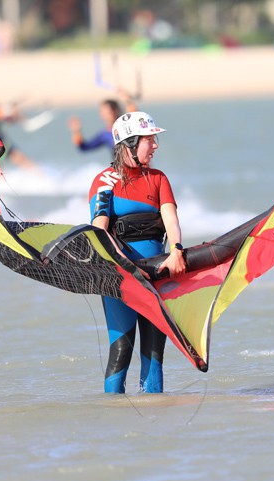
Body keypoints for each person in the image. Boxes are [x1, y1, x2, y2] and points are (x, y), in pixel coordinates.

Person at [88, 111, 186, 393]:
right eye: (149, 140)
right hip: (120, 276)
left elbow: (171, 220)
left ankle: (154, 421)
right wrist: (126, 266)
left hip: (157, 273)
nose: (155, 146)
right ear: (130, 143)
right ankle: (114, 419)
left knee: (155, 353)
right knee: (122, 349)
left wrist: (176, 250)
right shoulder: (105, 181)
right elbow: (99, 229)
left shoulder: (158, 179)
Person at [68, 89, 137, 156]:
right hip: (120, 167)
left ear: (116, 111)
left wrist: (128, 101)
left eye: (106, 112)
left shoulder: (127, 126)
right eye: (102, 112)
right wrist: (76, 131)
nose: (104, 115)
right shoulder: (105, 135)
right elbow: (84, 147)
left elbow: (134, 117)